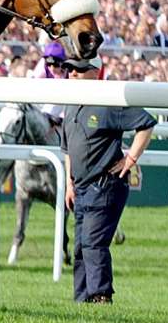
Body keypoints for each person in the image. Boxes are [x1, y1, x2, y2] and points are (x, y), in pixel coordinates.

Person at [61, 56, 154, 304]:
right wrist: (69, 184)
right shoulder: (70, 104)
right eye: (70, 69)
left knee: (92, 243)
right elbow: (68, 149)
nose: (73, 74)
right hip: (80, 188)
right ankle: (82, 301)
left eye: (79, 70)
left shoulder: (109, 99)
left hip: (104, 185)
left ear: (96, 71)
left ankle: (101, 297)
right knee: (81, 247)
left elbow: (146, 123)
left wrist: (131, 158)